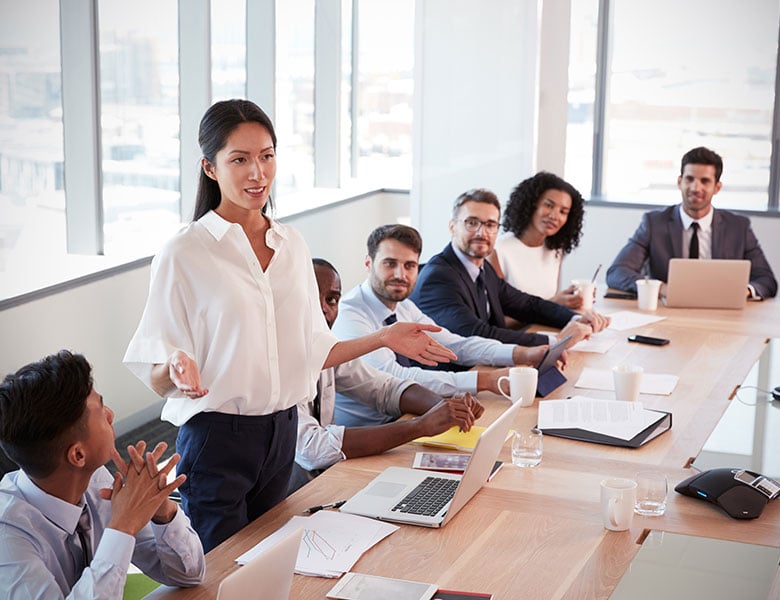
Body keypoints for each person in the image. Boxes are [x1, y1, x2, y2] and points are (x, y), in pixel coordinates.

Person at [123, 99, 455, 552]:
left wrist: (384, 337)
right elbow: (159, 375)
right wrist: (175, 367)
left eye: (266, 156)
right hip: (217, 438)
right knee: (220, 574)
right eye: (239, 159)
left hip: (281, 434)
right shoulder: (185, 252)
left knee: (269, 566)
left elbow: (314, 350)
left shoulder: (291, 245)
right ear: (210, 168)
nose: (257, 173)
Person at [0, 350, 205, 599]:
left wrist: (161, 510)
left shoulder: (95, 480)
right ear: (77, 455)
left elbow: (189, 575)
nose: (110, 414)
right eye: (100, 408)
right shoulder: (8, 540)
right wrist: (123, 525)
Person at [332, 224, 576, 428]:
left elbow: (454, 343)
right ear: (368, 263)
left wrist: (520, 353)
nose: (400, 274)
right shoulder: (350, 315)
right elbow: (395, 378)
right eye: (389, 264)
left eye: (409, 265)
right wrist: (484, 380)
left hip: (408, 420)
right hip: (370, 434)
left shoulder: (403, 306)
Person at [290, 258, 484, 492]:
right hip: (293, 491)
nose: (323, 308)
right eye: (312, 299)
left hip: (332, 477)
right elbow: (313, 449)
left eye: (331, 300)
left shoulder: (328, 349)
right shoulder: (279, 363)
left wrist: (445, 408)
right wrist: (419, 426)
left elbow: (385, 388)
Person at [410, 188, 610, 348]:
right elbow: (478, 334)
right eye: (472, 223)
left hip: (485, 367)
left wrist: (576, 318)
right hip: (453, 381)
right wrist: (555, 342)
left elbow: (528, 305)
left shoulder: (481, 268)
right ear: (453, 227)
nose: (482, 232)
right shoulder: (439, 278)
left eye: (490, 225)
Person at [606, 146, 778, 299]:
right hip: (670, 314)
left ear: (717, 187)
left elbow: (766, 280)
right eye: (689, 179)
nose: (696, 188)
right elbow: (617, 272)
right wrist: (661, 288)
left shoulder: (738, 227)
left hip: (723, 315)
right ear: (680, 182)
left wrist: (745, 291)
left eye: (705, 181)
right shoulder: (654, 223)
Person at [487, 171, 586, 308]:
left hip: (545, 327)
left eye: (563, 212)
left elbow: (548, 300)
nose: (554, 216)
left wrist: (569, 299)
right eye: (549, 205)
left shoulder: (555, 250)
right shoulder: (498, 251)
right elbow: (498, 318)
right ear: (531, 204)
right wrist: (552, 305)